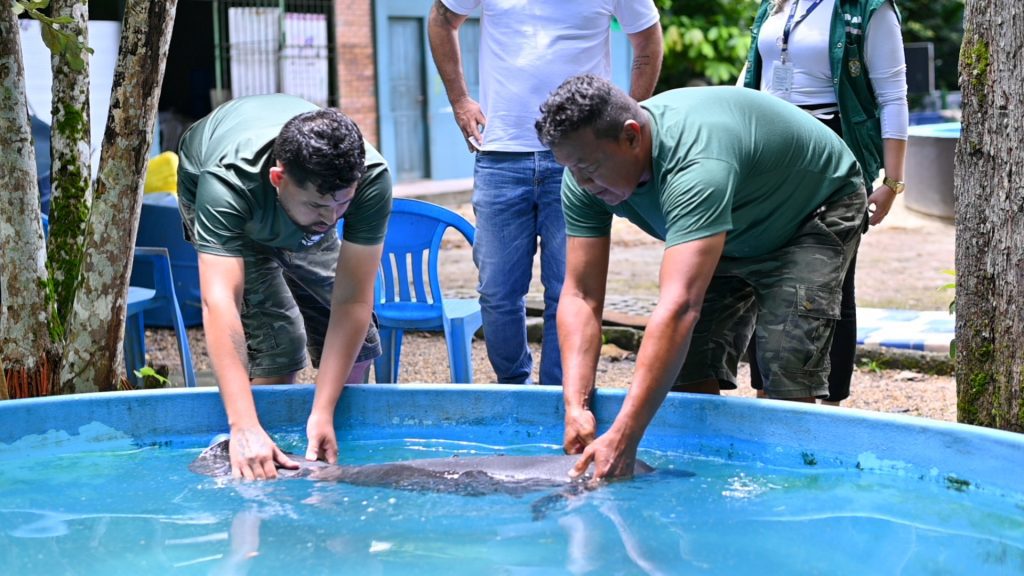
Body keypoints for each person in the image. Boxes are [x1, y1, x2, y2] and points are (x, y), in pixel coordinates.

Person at [535, 75, 867, 479]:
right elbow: (581, 296)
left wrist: (623, 436)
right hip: (729, 223)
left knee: (785, 360)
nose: (583, 184)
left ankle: (789, 492)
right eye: (573, 170)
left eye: (589, 169)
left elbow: (678, 308)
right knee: (688, 369)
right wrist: (575, 404)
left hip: (812, 210)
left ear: (631, 137)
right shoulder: (582, 179)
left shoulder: (696, 163)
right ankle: (706, 487)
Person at [427, 0, 663, 385]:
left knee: (569, 289)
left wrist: (627, 119)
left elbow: (648, 38)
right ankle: (514, 387)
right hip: (501, 154)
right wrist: (460, 100)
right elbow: (441, 18)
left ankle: (559, 395)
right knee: (497, 292)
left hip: (579, 162)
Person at [177, 94, 392, 480]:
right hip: (231, 201)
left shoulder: (366, 180)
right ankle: (245, 449)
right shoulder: (226, 181)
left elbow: (353, 300)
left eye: (341, 205)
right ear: (279, 178)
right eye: (318, 207)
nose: (331, 219)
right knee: (280, 346)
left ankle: (322, 444)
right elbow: (220, 300)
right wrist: (242, 425)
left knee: (359, 344)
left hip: (296, 198)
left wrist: (323, 410)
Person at [741, 0, 909, 406]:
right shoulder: (776, 5)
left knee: (833, 280)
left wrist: (892, 180)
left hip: (830, 151)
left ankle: (830, 403)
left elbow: (893, 96)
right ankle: (767, 391)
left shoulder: (869, 9)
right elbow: (750, 77)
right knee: (763, 275)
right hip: (768, 150)